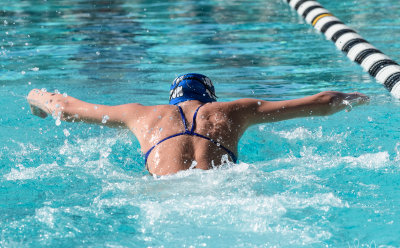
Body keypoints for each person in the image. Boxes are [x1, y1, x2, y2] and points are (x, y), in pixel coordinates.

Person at [27, 73, 369, 176]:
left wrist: (36, 97)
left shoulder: (140, 114)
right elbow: (321, 103)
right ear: (210, 98)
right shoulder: (233, 111)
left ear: (172, 98)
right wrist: (359, 96)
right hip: (226, 192)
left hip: (161, 198)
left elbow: (66, 107)